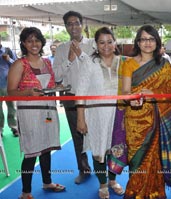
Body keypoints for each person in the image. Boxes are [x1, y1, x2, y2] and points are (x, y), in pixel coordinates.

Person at [122, 25, 171, 199]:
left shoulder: (164, 64)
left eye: (151, 39)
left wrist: (153, 95)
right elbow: (125, 92)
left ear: (157, 41)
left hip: (158, 119)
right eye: (143, 39)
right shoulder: (129, 63)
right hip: (135, 120)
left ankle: (155, 194)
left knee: (155, 162)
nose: (147, 43)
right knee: (137, 162)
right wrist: (133, 98)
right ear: (138, 42)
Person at [7, 27, 65, 199]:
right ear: (24, 43)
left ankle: (47, 182)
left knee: (46, 148)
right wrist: (28, 93)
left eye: (37, 40)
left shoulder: (47, 62)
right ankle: (25, 192)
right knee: (31, 151)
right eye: (30, 40)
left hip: (48, 111)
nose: (34, 44)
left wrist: (58, 88)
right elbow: (10, 92)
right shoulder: (20, 64)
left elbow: (50, 87)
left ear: (42, 42)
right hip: (29, 113)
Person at [76, 27, 125, 199]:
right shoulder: (89, 62)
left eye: (109, 42)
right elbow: (80, 92)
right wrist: (81, 118)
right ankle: (103, 183)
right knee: (99, 149)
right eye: (101, 42)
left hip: (118, 115)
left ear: (115, 42)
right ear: (96, 44)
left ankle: (113, 180)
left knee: (116, 150)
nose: (106, 46)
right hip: (96, 115)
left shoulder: (124, 62)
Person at [52, 10, 93, 184]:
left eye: (76, 22)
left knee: (99, 133)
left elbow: (96, 69)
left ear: (82, 24)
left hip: (93, 97)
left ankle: (105, 174)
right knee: (77, 136)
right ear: (66, 27)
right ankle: (83, 169)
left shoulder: (93, 45)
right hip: (71, 97)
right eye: (69, 23)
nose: (73, 26)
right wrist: (69, 59)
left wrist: (80, 56)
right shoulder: (61, 49)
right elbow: (57, 77)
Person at [0, 35, 18, 137]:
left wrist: (9, 59)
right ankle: (0, 130)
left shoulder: (8, 51)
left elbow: (17, 64)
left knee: (11, 106)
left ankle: (14, 127)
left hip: (8, 84)